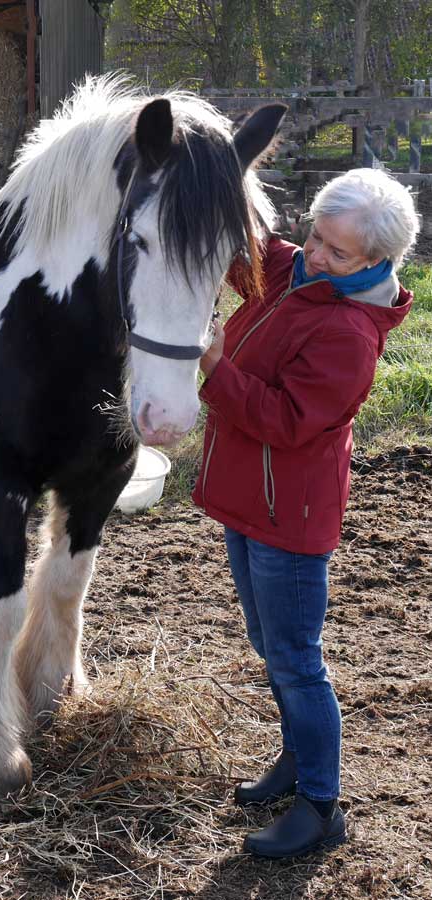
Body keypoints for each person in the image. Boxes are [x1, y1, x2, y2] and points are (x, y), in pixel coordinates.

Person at [192, 168, 419, 859]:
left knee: (295, 660)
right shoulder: (297, 273)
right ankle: (292, 764)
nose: (313, 255)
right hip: (247, 498)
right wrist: (209, 181)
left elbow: (286, 422)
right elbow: (248, 248)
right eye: (315, 236)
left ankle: (320, 806)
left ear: (375, 263)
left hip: (287, 517)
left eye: (336, 252)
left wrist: (211, 363)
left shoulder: (348, 332)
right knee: (271, 646)